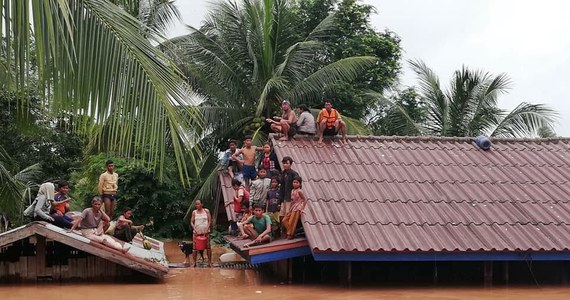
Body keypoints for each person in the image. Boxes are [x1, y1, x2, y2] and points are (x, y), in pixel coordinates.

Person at [190, 199, 212, 267]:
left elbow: (210, 221)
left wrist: (207, 228)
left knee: (208, 247)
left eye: (198, 204)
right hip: (196, 233)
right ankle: (194, 262)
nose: (197, 205)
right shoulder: (194, 212)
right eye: (196, 204)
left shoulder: (206, 211)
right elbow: (191, 222)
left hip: (206, 233)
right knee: (194, 248)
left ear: (202, 204)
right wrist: (194, 229)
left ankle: (209, 262)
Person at [278, 156, 299, 226]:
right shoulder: (282, 173)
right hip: (284, 197)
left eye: (287, 163)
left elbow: (298, 186)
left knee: (287, 216)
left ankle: (289, 232)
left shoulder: (294, 174)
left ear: (290, 164)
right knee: (281, 215)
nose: (285, 165)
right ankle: (285, 231)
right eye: (284, 163)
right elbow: (281, 187)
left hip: (290, 198)